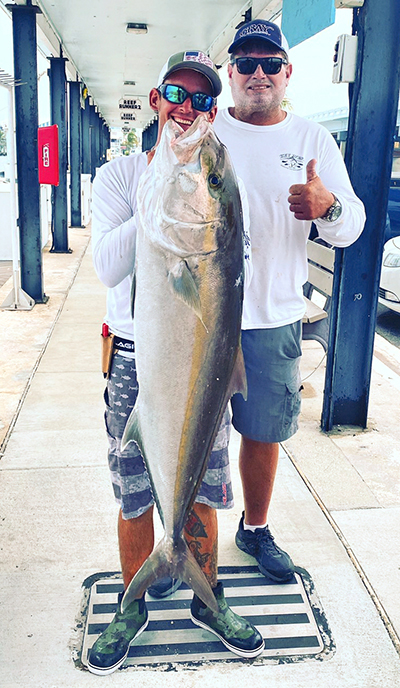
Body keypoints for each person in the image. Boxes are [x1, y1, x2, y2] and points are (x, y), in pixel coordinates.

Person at [88, 50, 263, 675]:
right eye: (176, 93)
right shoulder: (119, 175)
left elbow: (227, 254)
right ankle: (131, 605)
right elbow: (109, 266)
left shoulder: (207, 174)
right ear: (157, 100)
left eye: (202, 101)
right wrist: (164, 191)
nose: (187, 108)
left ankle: (205, 596)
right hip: (136, 357)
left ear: (212, 110)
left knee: (207, 487)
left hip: (203, 362)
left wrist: (188, 186)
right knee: (135, 492)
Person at [213, 20, 365, 582]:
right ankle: (187, 536)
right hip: (203, 320)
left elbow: (351, 229)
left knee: (263, 432)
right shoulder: (207, 133)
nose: (258, 74)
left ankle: (255, 529)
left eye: (269, 63)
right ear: (230, 72)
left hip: (273, 316)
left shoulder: (311, 140)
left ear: (286, 72)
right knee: (195, 433)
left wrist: (327, 206)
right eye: (246, 63)